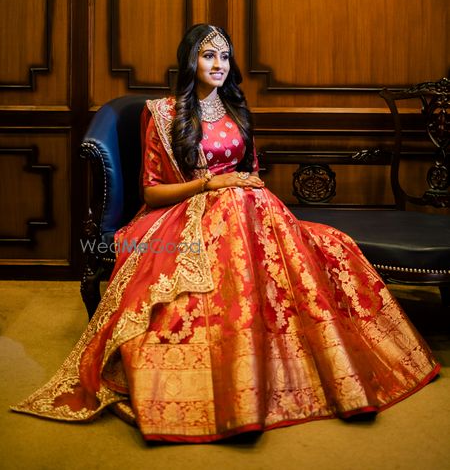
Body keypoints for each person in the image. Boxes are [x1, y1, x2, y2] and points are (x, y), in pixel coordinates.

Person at [12, 24, 439, 442]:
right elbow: (152, 191)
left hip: (245, 207)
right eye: (208, 55)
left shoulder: (236, 109)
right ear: (190, 60)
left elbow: (249, 173)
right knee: (235, 204)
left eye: (225, 56)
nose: (219, 64)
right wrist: (211, 184)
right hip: (181, 211)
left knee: (329, 243)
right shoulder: (163, 114)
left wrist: (241, 186)